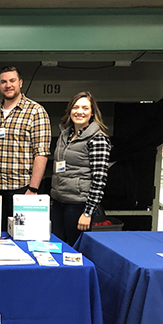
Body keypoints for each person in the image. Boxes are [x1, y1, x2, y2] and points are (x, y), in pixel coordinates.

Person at [0, 66, 52, 229]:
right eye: (3, 82)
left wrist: (33, 188)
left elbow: (41, 153)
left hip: (23, 189)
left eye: (12, 81)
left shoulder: (36, 111)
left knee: (23, 236)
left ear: (20, 83)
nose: (8, 85)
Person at [51, 91, 111, 245]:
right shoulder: (65, 135)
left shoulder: (98, 139)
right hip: (58, 202)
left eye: (85, 108)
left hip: (78, 206)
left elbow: (100, 179)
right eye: (75, 107)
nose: (79, 112)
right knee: (56, 247)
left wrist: (88, 212)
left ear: (92, 113)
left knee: (74, 251)